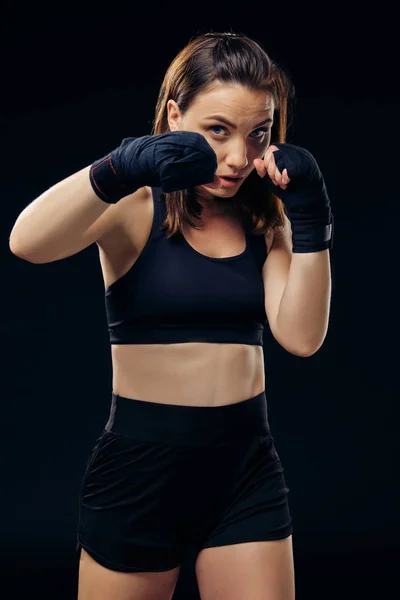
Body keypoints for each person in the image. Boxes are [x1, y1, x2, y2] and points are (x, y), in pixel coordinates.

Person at [9, 31, 333, 600]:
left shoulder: (266, 219)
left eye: (258, 134)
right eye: (218, 131)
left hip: (245, 470)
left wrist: (311, 221)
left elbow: (301, 338)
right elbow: (26, 243)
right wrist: (117, 168)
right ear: (174, 115)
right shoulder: (135, 205)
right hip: (139, 474)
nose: (239, 157)